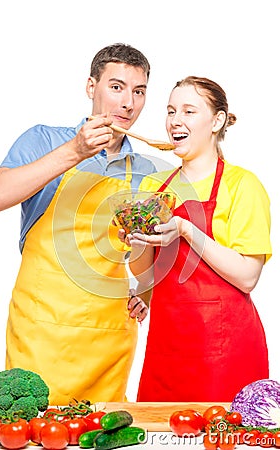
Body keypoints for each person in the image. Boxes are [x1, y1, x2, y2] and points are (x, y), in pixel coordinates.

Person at [0, 43, 157, 405]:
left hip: (109, 337)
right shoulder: (43, 140)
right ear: (91, 87)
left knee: (101, 436)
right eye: (116, 87)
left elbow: (141, 258)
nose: (128, 103)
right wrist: (75, 151)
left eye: (138, 91)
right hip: (41, 329)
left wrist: (143, 292)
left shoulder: (145, 171)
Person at [122, 76, 272, 402]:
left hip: (225, 350)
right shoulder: (156, 187)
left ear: (216, 121)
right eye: (171, 111)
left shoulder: (243, 186)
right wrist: (135, 236)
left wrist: (188, 230)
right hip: (166, 348)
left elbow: (247, 277)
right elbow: (146, 273)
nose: (176, 120)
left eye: (189, 111)